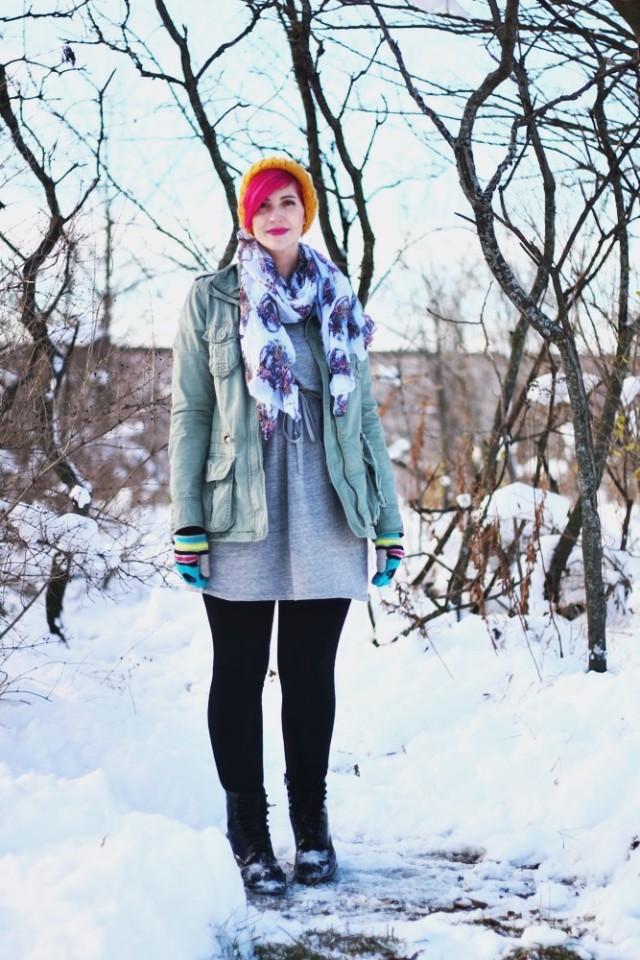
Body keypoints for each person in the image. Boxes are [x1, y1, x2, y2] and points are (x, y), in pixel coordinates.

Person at [168, 156, 404, 897]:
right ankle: (249, 831)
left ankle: (312, 828)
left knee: (310, 677)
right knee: (238, 674)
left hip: (328, 507)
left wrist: (387, 521)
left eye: (289, 202)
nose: (278, 214)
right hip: (239, 507)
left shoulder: (335, 299)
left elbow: (362, 415)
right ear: (247, 217)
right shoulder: (211, 300)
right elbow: (192, 414)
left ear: (306, 212)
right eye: (264, 204)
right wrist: (187, 523)